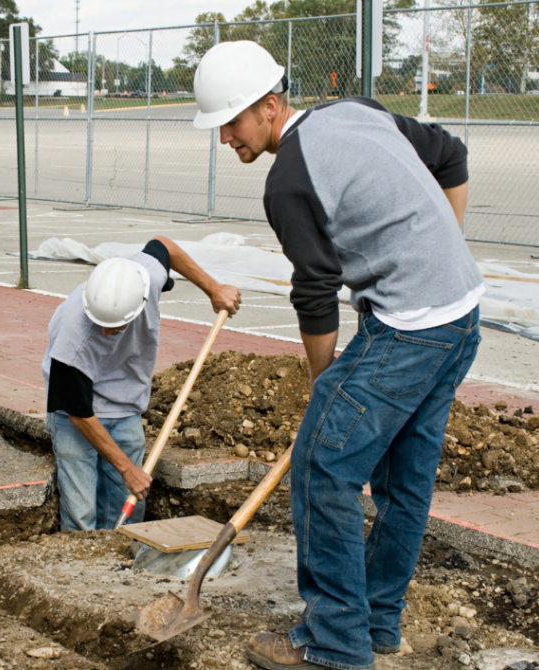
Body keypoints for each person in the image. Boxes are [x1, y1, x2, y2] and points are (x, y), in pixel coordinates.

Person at [192, 42, 483, 670]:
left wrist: (327, 392)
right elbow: (450, 155)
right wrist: (440, 252)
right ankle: (376, 624)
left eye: (232, 123)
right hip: (461, 312)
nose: (225, 140)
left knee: (324, 468)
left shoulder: (288, 180)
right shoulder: (357, 110)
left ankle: (335, 643)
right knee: (404, 483)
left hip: (409, 328)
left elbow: (316, 294)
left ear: (270, 107)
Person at [42, 237, 241, 531]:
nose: (107, 332)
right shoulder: (72, 342)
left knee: (128, 516)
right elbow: (78, 413)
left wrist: (213, 288)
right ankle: (86, 573)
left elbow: (164, 246)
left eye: (116, 326)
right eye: (101, 324)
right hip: (75, 419)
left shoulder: (141, 278)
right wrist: (126, 469)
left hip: (124, 408)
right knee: (81, 516)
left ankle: (120, 567)